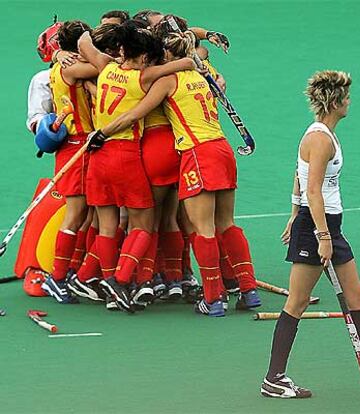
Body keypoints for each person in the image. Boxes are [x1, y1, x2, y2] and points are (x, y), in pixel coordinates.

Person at [261, 70, 360, 398]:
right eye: (346, 97)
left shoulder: (326, 135)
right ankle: (274, 378)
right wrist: (321, 236)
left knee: (357, 296)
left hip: (326, 226)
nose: (349, 101)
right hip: (317, 228)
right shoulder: (319, 138)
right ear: (334, 102)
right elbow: (313, 190)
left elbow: (299, 177)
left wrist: (294, 215)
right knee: (297, 300)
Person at [87, 30, 261, 317]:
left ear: (166, 55)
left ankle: (214, 299)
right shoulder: (205, 75)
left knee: (201, 228)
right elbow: (201, 59)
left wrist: (101, 132)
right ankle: (248, 289)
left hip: (196, 153)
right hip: (223, 150)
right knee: (226, 224)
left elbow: (134, 114)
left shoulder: (167, 79)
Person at [76, 22, 195, 312]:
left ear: (121, 50)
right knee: (143, 224)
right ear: (143, 57)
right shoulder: (142, 77)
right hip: (124, 154)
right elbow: (187, 61)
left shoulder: (104, 65)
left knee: (107, 225)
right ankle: (119, 280)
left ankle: (103, 286)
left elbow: (82, 41)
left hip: (97, 157)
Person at [41, 20, 99, 303]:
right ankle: (57, 277)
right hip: (75, 145)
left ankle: (73, 272)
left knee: (87, 214)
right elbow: (105, 67)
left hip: (85, 144)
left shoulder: (64, 65)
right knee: (75, 214)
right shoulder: (70, 68)